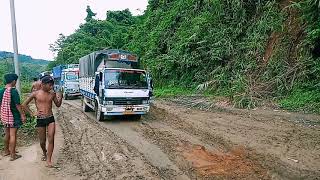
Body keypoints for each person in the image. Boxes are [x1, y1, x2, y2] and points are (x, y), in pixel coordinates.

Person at [23, 76, 63, 167]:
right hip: (40, 119)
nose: (51, 87)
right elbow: (24, 104)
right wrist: (33, 113)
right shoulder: (35, 94)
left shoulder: (52, 94)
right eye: (49, 85)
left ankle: (49, 160)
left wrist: (61, 97)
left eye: (52, 85)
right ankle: (44, 152)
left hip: (50, 118)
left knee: (51, 139)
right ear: (43, 84)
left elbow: (57, 105)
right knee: (42, 141)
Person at [0, 73, 26, 161]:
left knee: (7, 134)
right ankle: (13, 155)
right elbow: (18, 105)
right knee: (13, 135)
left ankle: (6, 151)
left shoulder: (1, 91)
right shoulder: (13, 91)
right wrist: (22, 115)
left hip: (5, 116)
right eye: (16, 81)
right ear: (14, 81)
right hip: (13, 116)